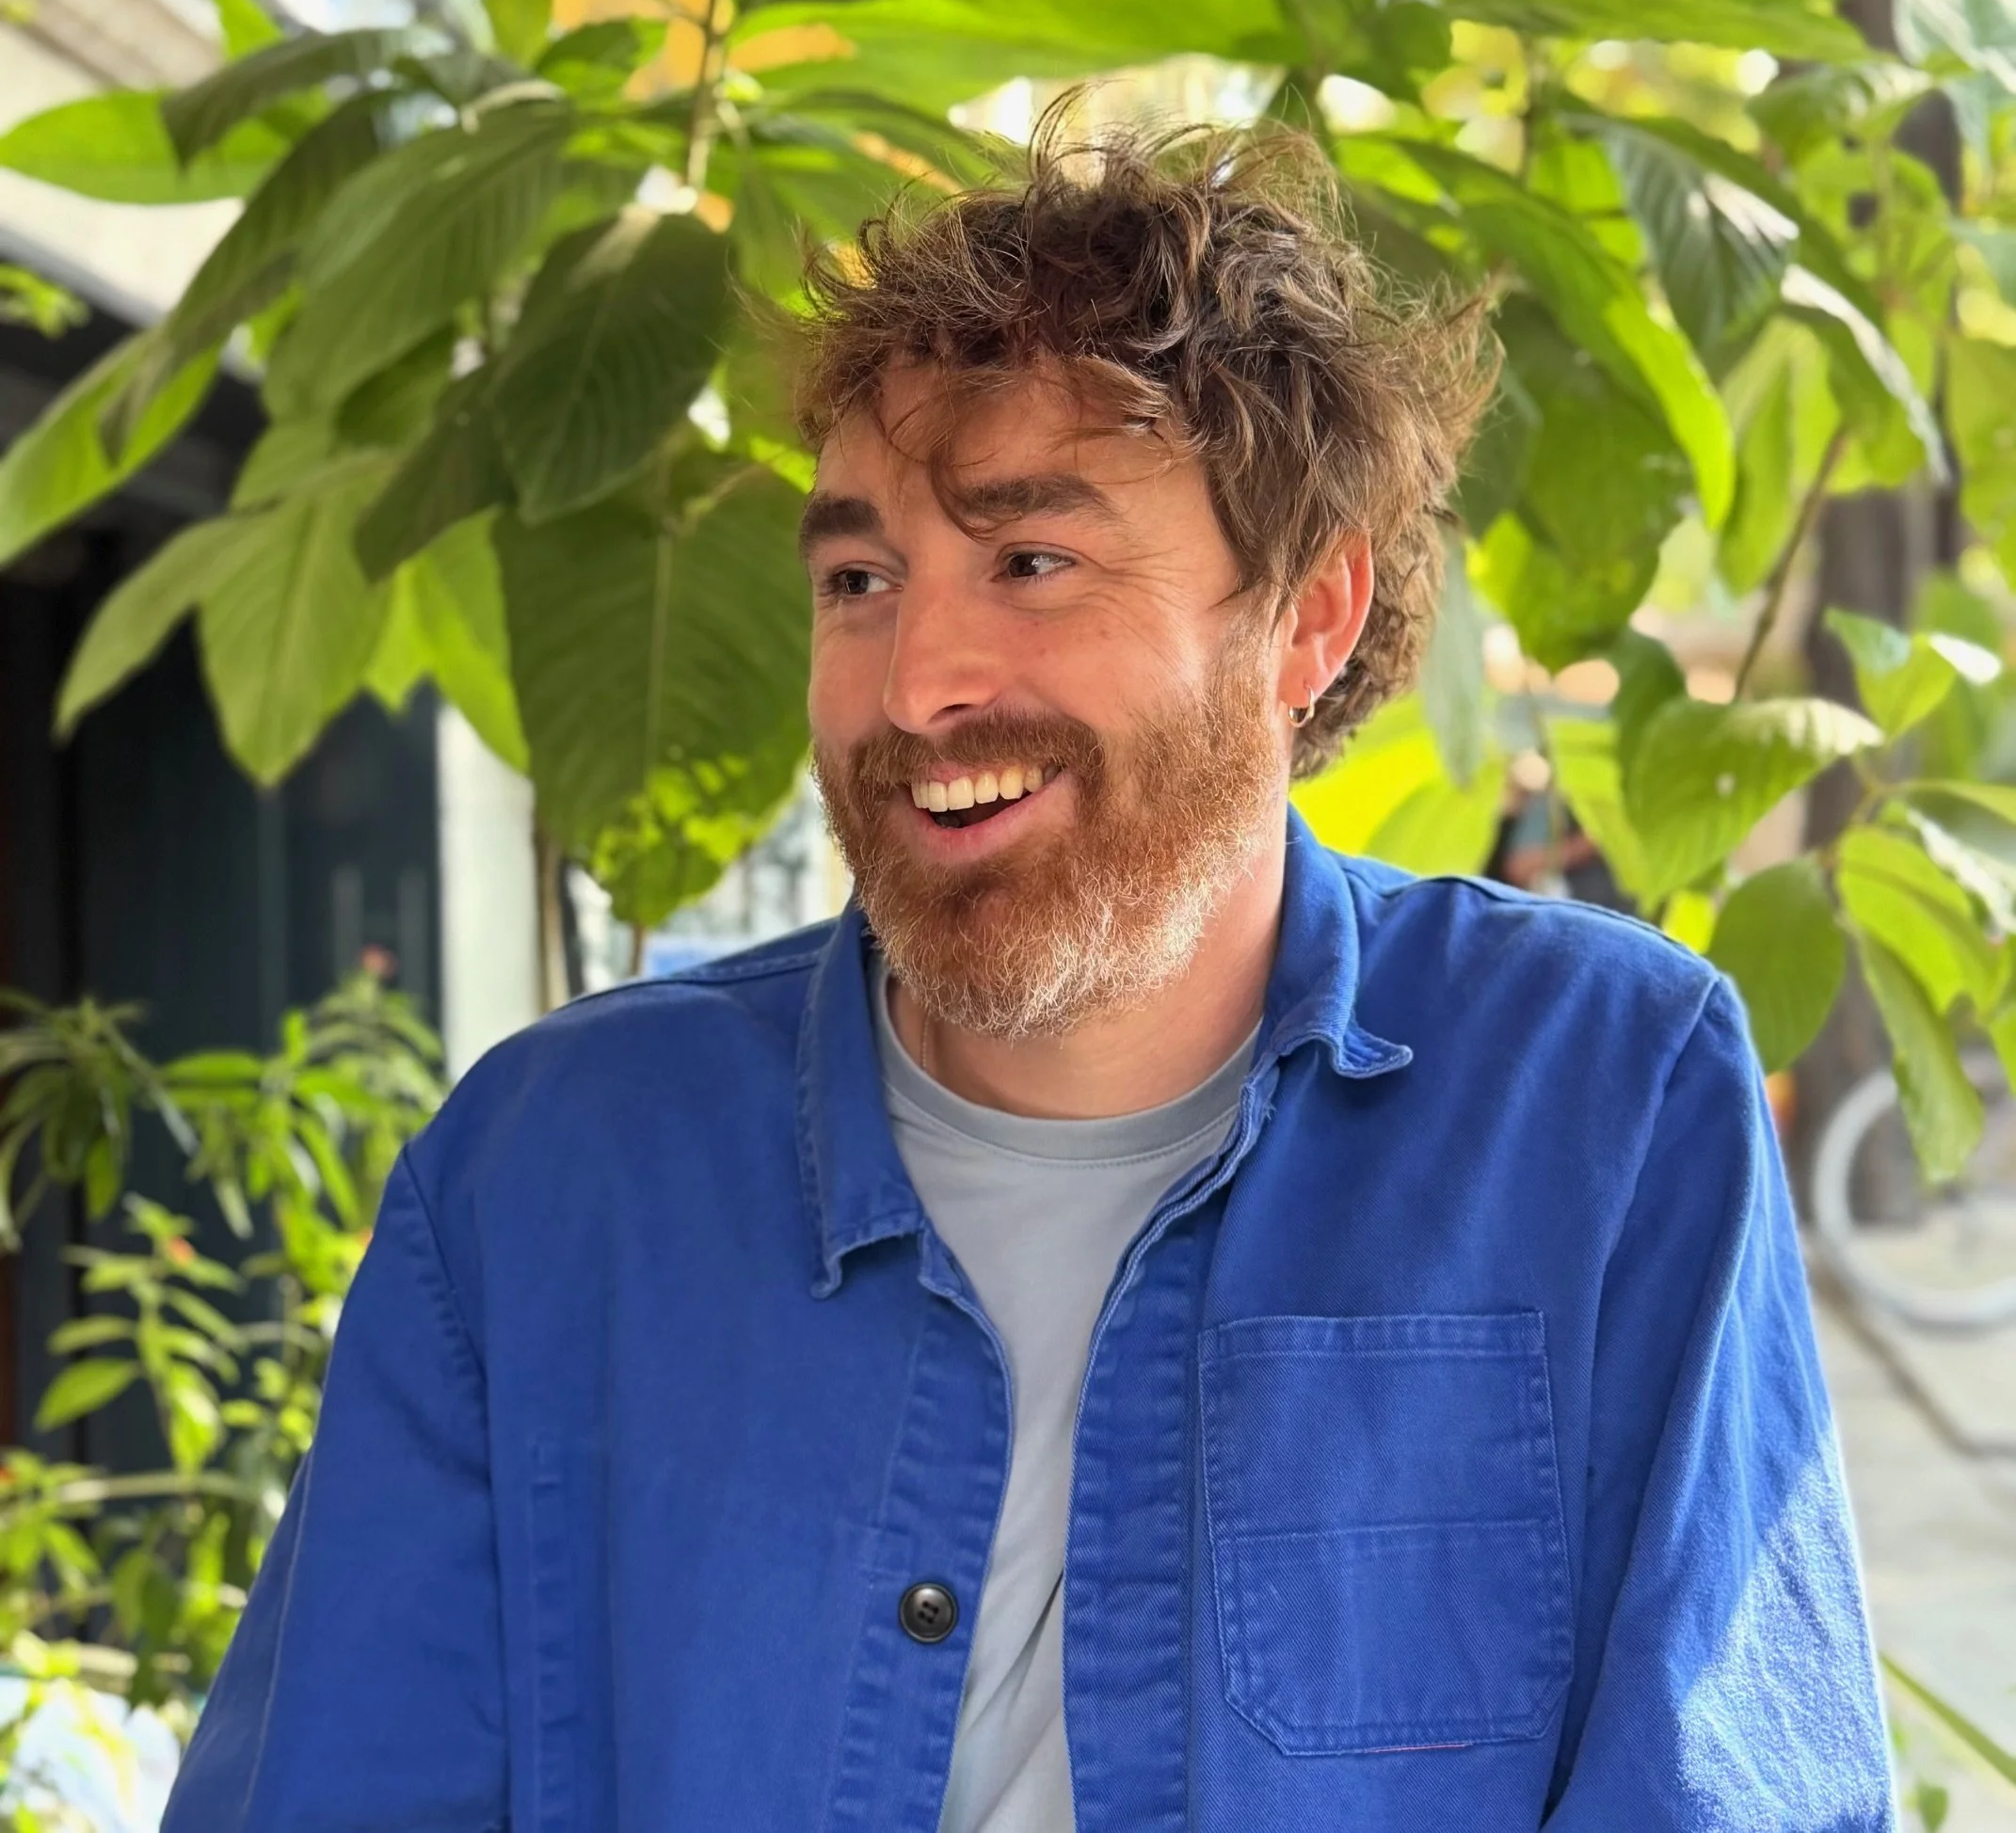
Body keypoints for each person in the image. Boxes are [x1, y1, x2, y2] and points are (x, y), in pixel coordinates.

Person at [162, 119, 1894, 1832]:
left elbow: (1726, 1790)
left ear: (1305, 617)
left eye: (1031, 561)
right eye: (859, 576)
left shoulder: (1600, 1099)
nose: (915, 680)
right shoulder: (545, 1174)